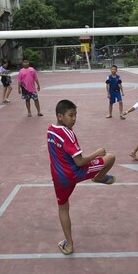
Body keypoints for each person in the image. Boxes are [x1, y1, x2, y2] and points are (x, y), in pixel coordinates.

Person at [47, 99, 116, 255]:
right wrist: (97, 153)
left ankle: (69, 245)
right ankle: (99, 177)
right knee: (110, 157)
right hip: (77, 173)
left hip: (59, 178)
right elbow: (79, 162)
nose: (74, 119)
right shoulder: (68, 134)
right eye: (71, 115)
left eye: (75, 115)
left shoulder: (50, 130)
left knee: (63, 208)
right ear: (60, 116)